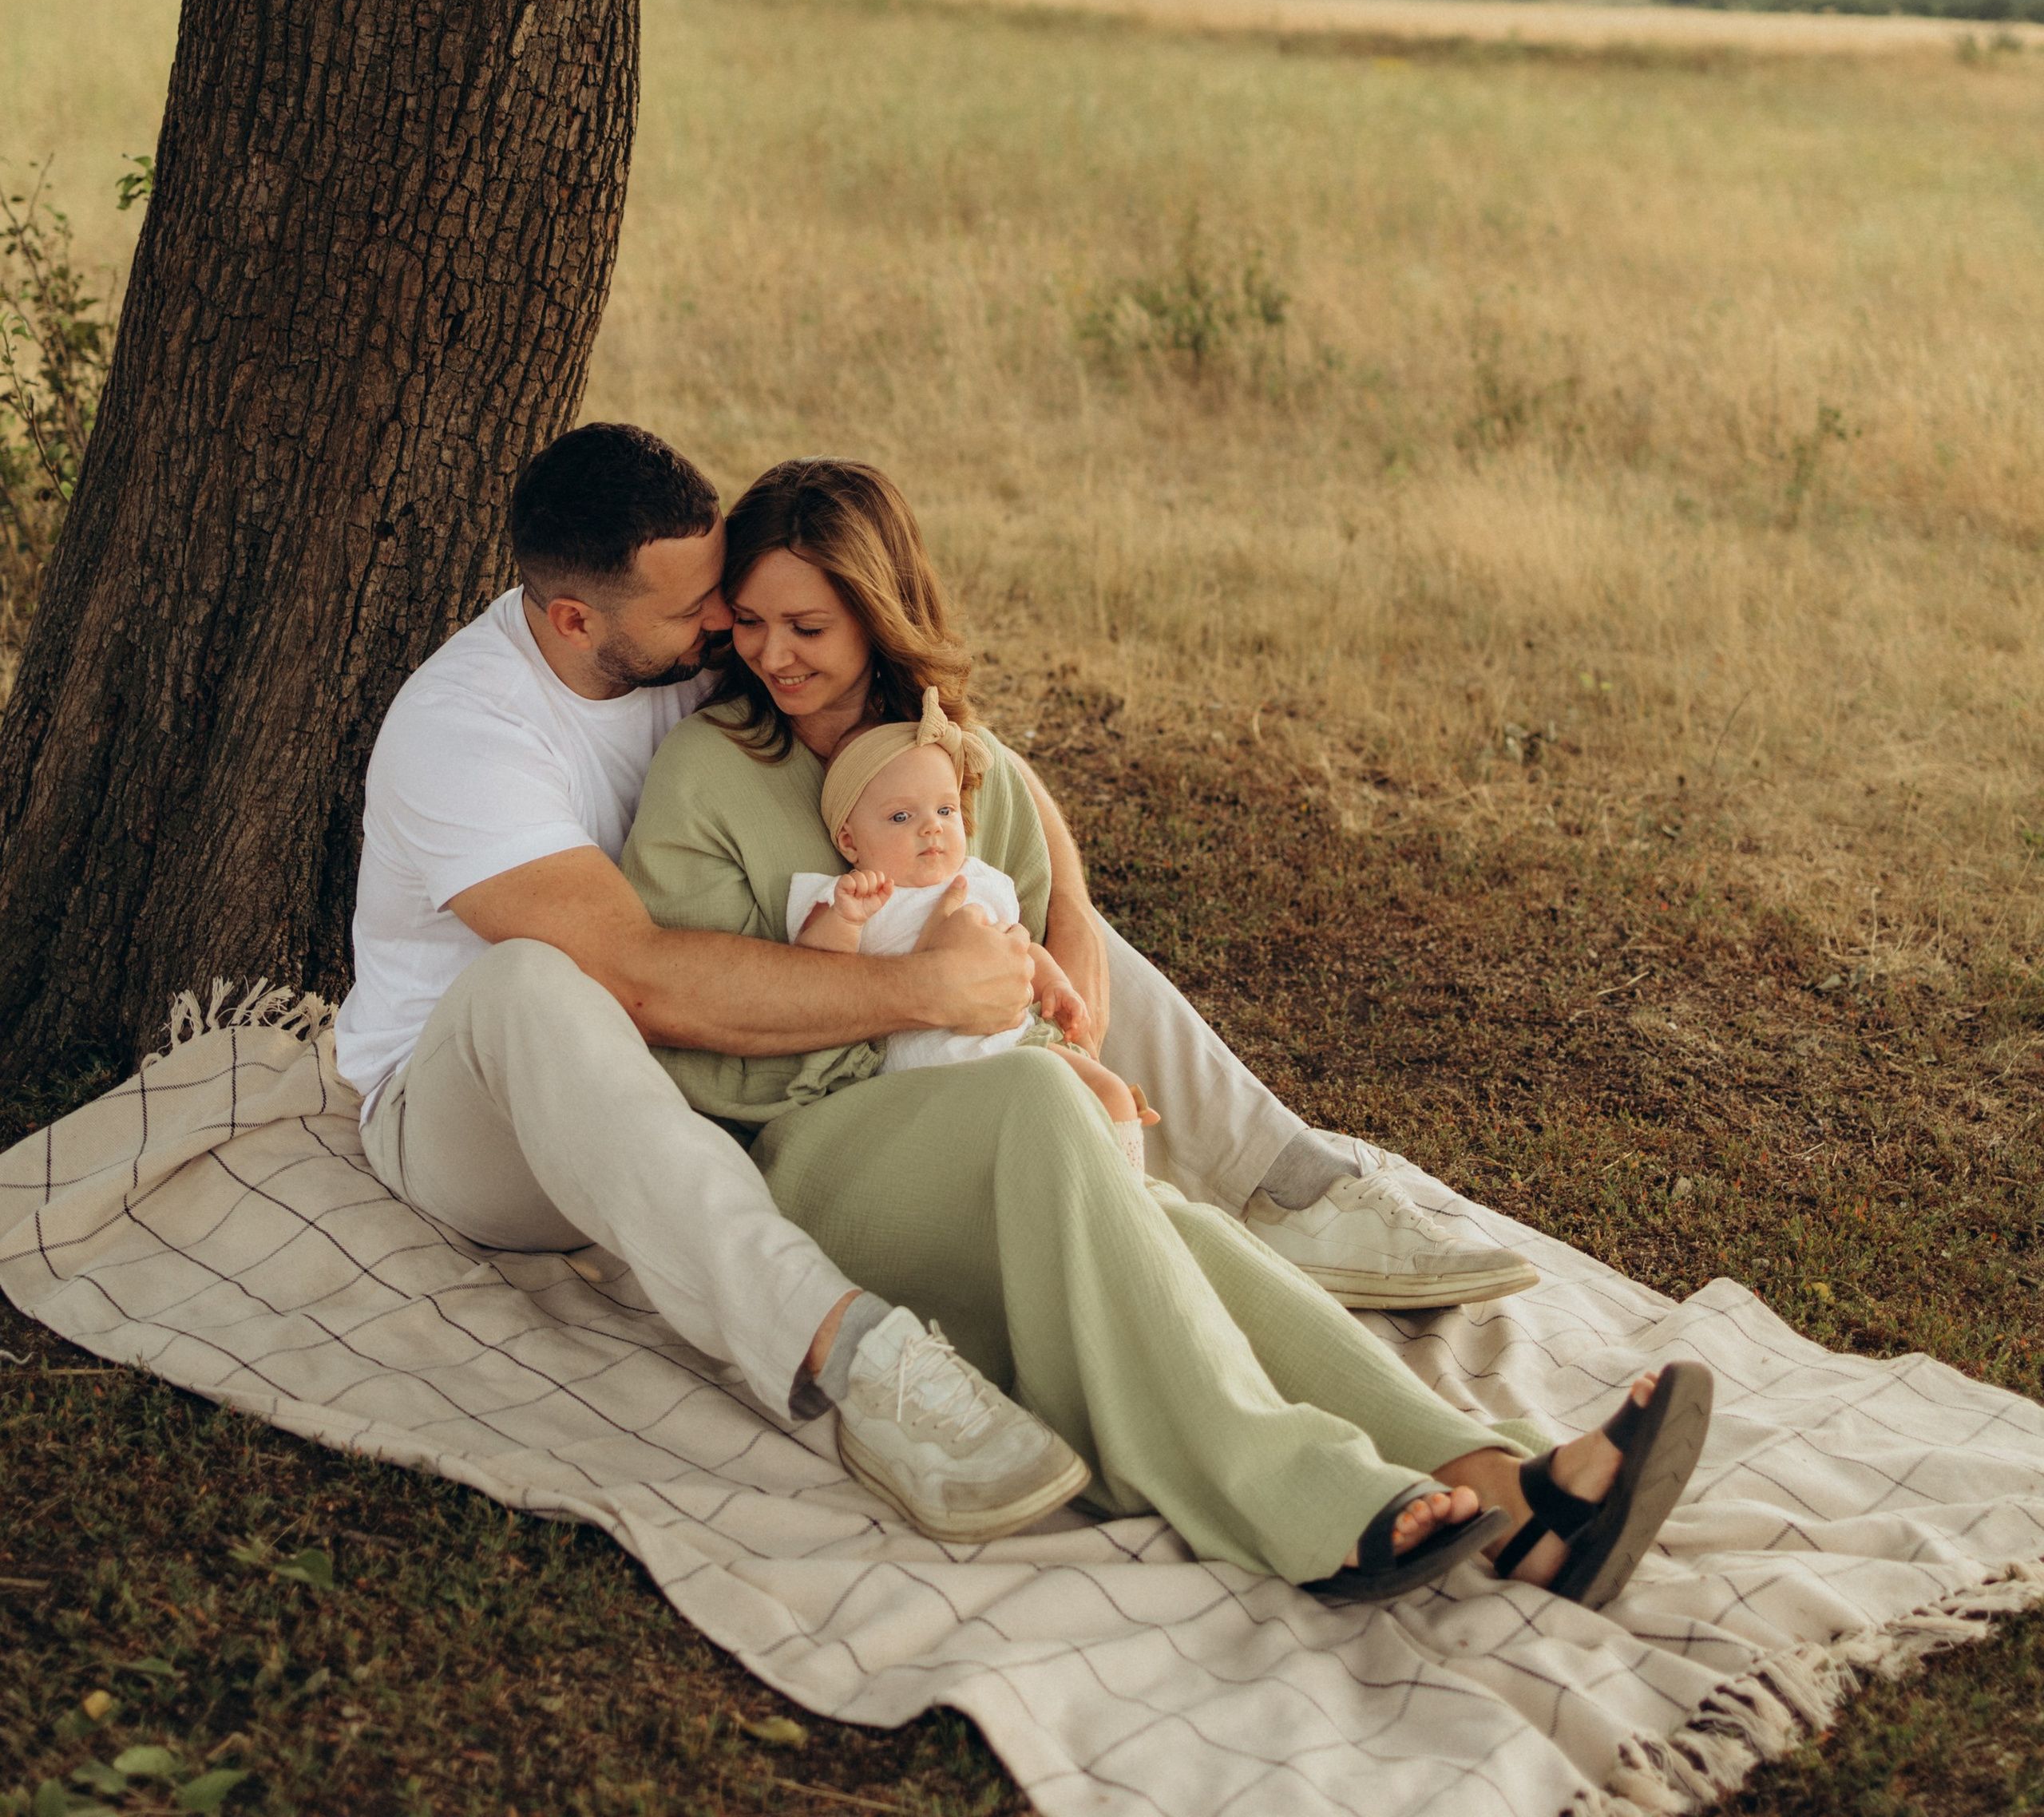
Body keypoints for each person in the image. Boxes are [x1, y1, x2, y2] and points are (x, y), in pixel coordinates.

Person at [622, 457, 1714, 1601]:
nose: (772, 654)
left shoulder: (970, 773)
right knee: (1058, 1127)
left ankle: (1511, 1494)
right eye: (748, 622)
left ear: (883, 613)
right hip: (814, 1159)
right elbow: (701, 1030)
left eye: (807, 624)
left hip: (995, 1130)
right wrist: (942, 1024)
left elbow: (1035, 975)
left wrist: (1066, 1065)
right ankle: (1310, 1501)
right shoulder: (708, 770)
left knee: (1171, 1229)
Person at [334, 424, 1091, 1546]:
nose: (731, 631)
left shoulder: (704, 648)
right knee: (532, 983)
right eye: (700, 613)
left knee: (950, 885)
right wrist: (929, 994)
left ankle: (1283, 1170)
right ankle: (854, 1356)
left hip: (687, 1087)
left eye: (725, 598)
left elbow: (958, 761)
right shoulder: (463, 732)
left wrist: (1061, 920)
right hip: (477, 1123)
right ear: (577, 621)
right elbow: (637, 983)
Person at [796, 695, 1159, 1175]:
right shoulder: (857, 896)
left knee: (1110, 1093)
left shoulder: (981, 882)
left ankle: (1127, 1192)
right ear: (850, 841)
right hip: (930, 1075)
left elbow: (1020, 945)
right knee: (1019, 1143)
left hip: (1016, 1043)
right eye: (901, 817)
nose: (932, 829)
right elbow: (815, 974)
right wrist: (845, 919)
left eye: (946, 811)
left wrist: (1056, 986)